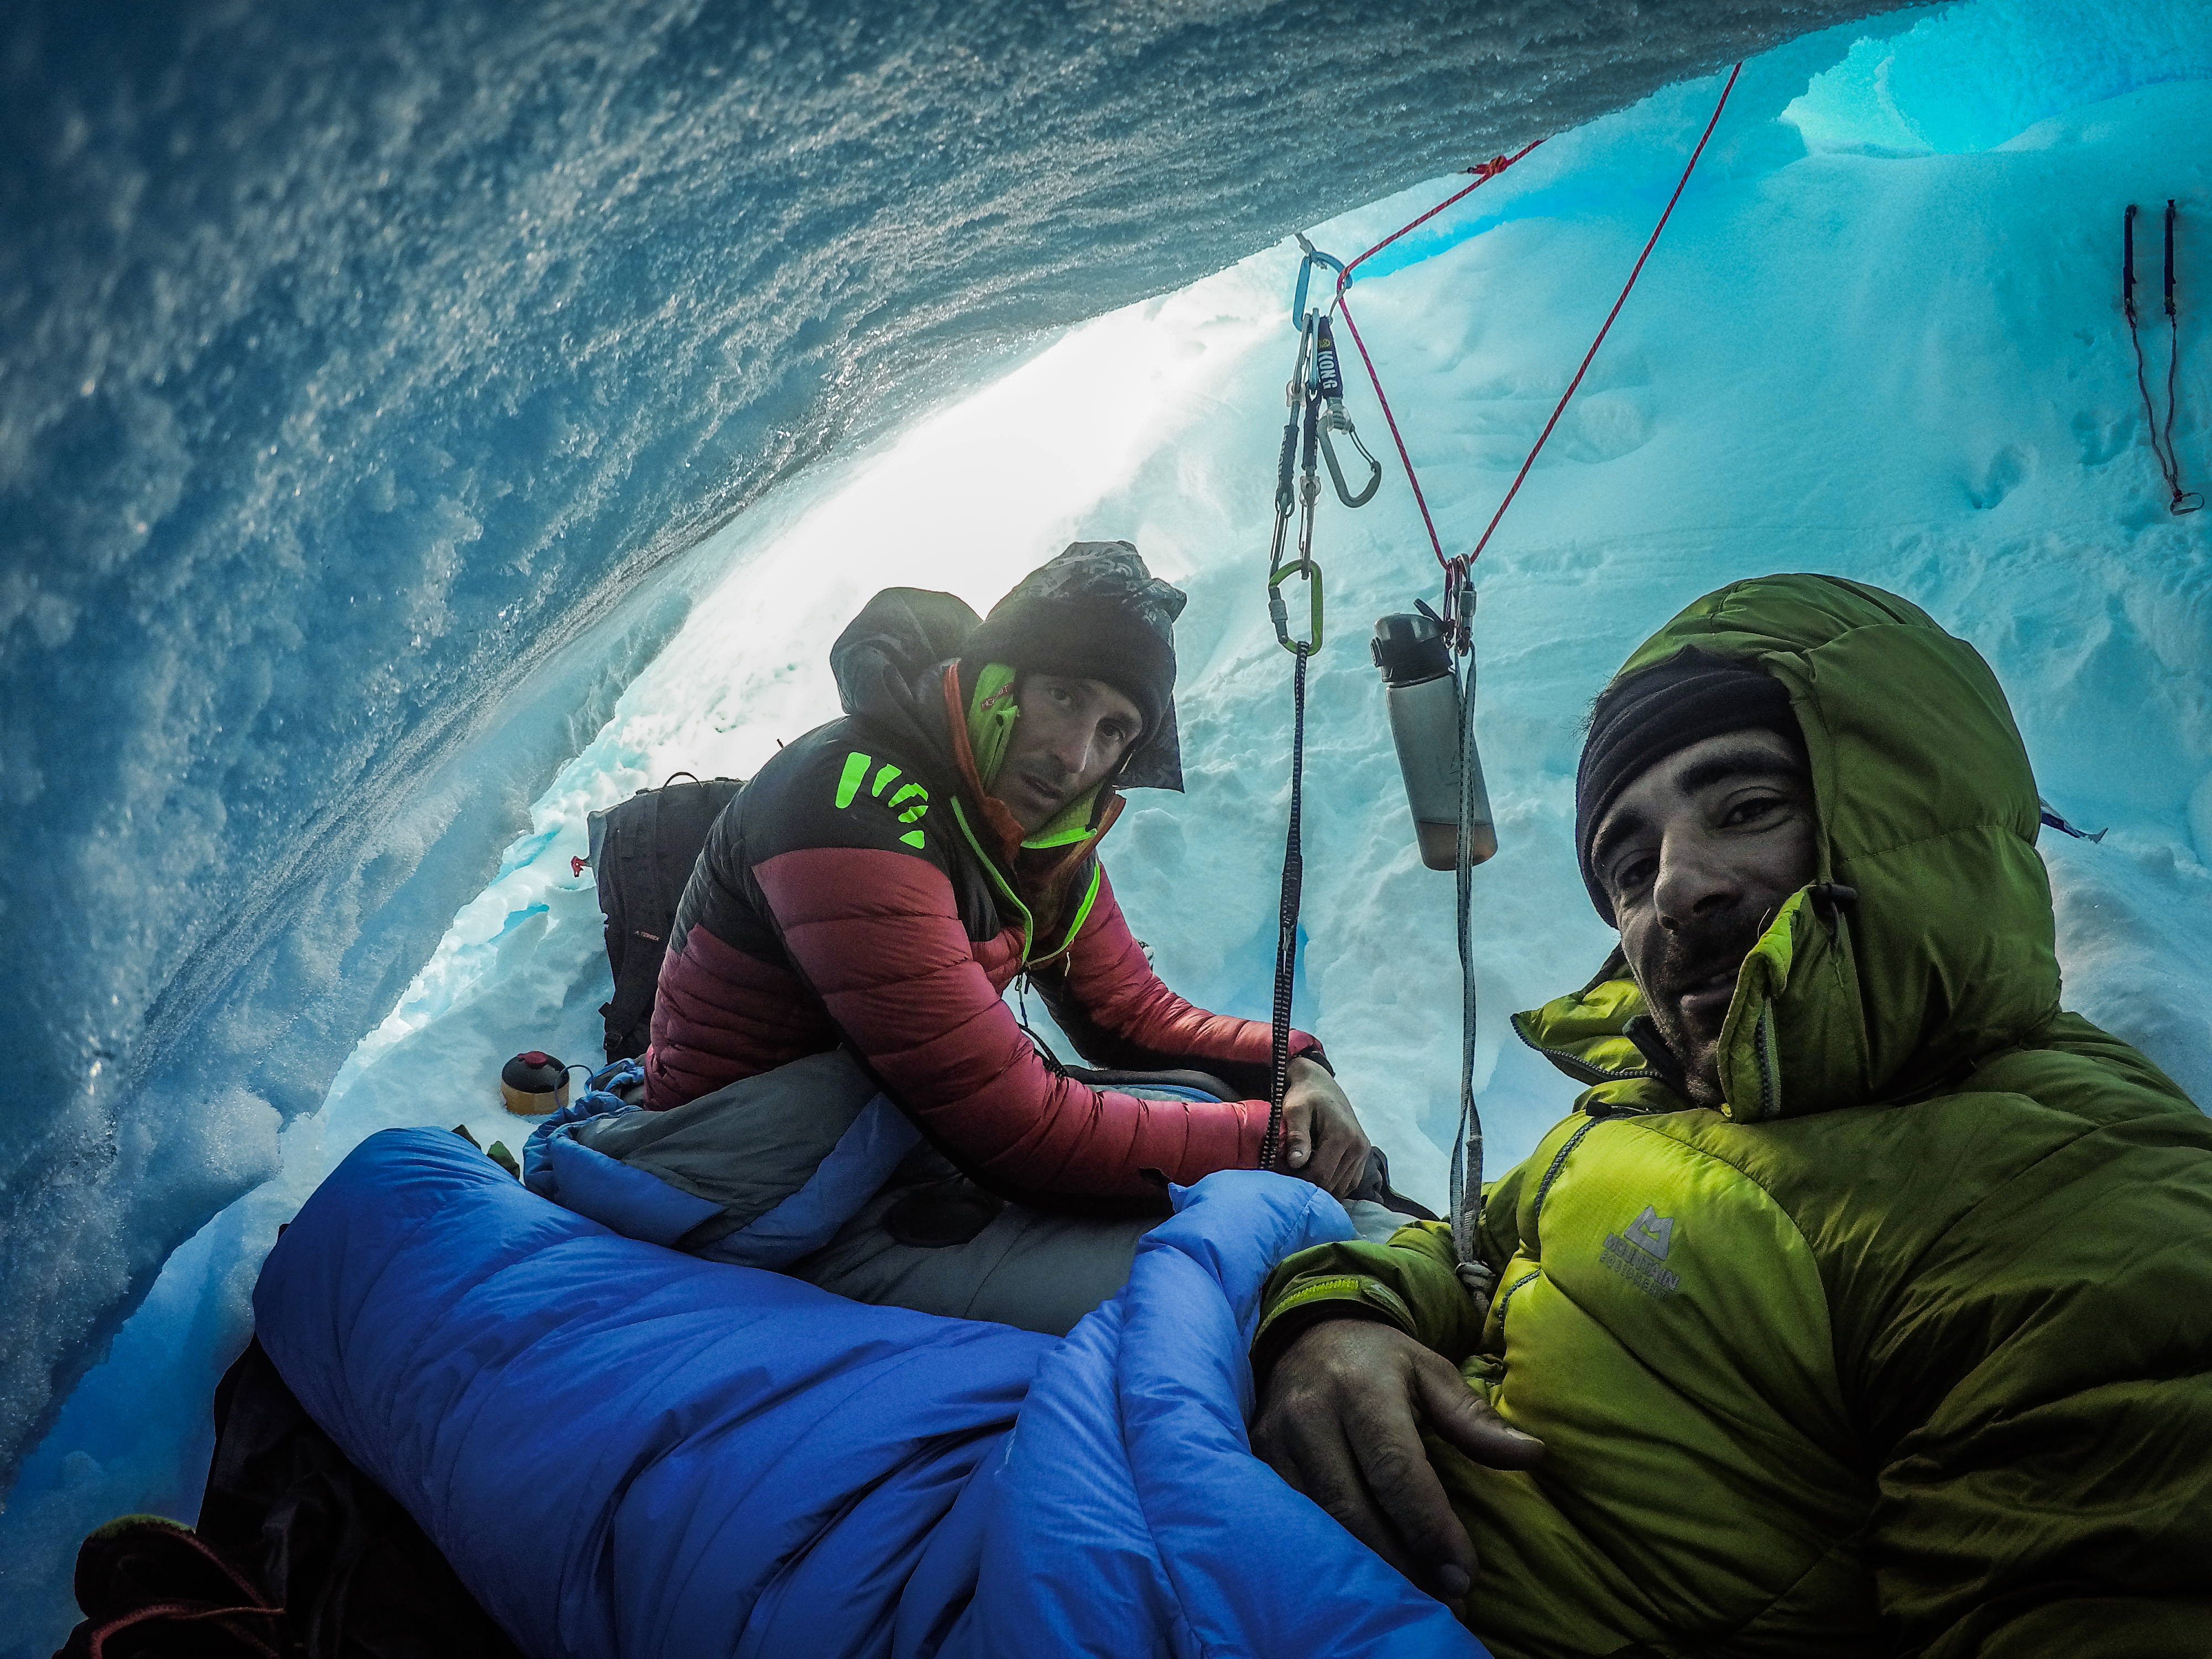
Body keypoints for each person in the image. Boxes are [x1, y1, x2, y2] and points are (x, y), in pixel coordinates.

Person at [1250, 573, 2212, 1657]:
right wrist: (1332, 1323)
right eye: (1628, 864)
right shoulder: (1653, 1098)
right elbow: (1470, 1247)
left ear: (1912, 811)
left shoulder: (2070, 1200)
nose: (1673, 889)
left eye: (1746, 809)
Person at [644, 540, 1376, 1208]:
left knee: (1217, 1109)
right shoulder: (852, 807)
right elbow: (1019, 1125)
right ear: (999, 682)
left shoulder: (1032, 836)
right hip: (739, 1169)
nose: (1075, 757)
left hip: (877, 1134)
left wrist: (1296, 1068)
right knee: (1257, 1233)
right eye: (1064, 696)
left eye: (1114, 731)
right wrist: (1280, 1146)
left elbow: (1131, 1015)